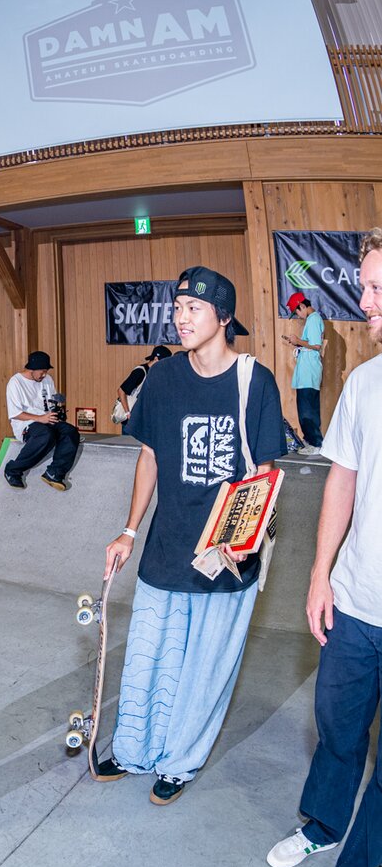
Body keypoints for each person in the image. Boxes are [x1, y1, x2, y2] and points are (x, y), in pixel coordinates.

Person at [97, 267, 285, 804]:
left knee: (205, 666)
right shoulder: (163, 379)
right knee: (149, 654)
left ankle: (180, 762)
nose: (181, 318)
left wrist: (240, 540)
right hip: (167, 543)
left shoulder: (255, 380)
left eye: (194, 308)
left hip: (226, 552)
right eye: (177, 308)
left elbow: (264, 472)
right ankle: (133, 749)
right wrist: (128, 531)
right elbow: (150, 456)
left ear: (223, 317)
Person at [266, 231, 382, 867]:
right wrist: (318, 574)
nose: (364, 301)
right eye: (365, 285)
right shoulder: (365, 383)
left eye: (376, 288)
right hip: (357, 600)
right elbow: (341, 480)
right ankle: (323, 824)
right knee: (338, 726)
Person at [3, 350, 80, 492]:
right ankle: (13, 470)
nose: (44, 375)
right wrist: (40, 418)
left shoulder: (47, 379)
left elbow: (51, 403)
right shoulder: (15, 382)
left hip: (47, 420)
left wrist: (57, 411)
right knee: (45, 435)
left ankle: (54, 473)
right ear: (32, 369)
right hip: (26, 424)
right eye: (42, 372)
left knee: (71, 432)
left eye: (46, 372)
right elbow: (15, 414)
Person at [281, 291, 325, 452]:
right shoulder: (313, 320)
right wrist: (299, 344)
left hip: (309, 372)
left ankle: (315, 443)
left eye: (297, 312)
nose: (298, 316)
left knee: (307, 410)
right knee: (306, 408)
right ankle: (310, 440)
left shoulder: (313, 320)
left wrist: (298, 340)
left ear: (301, 306)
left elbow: (316, 345)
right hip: (307, 371)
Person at [114, 344, 171, 425]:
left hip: (144, 418)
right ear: (156, 359)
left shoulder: (156, 373)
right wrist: (127, 413)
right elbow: (121, 391)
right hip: (132, 419)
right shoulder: (140, 372)